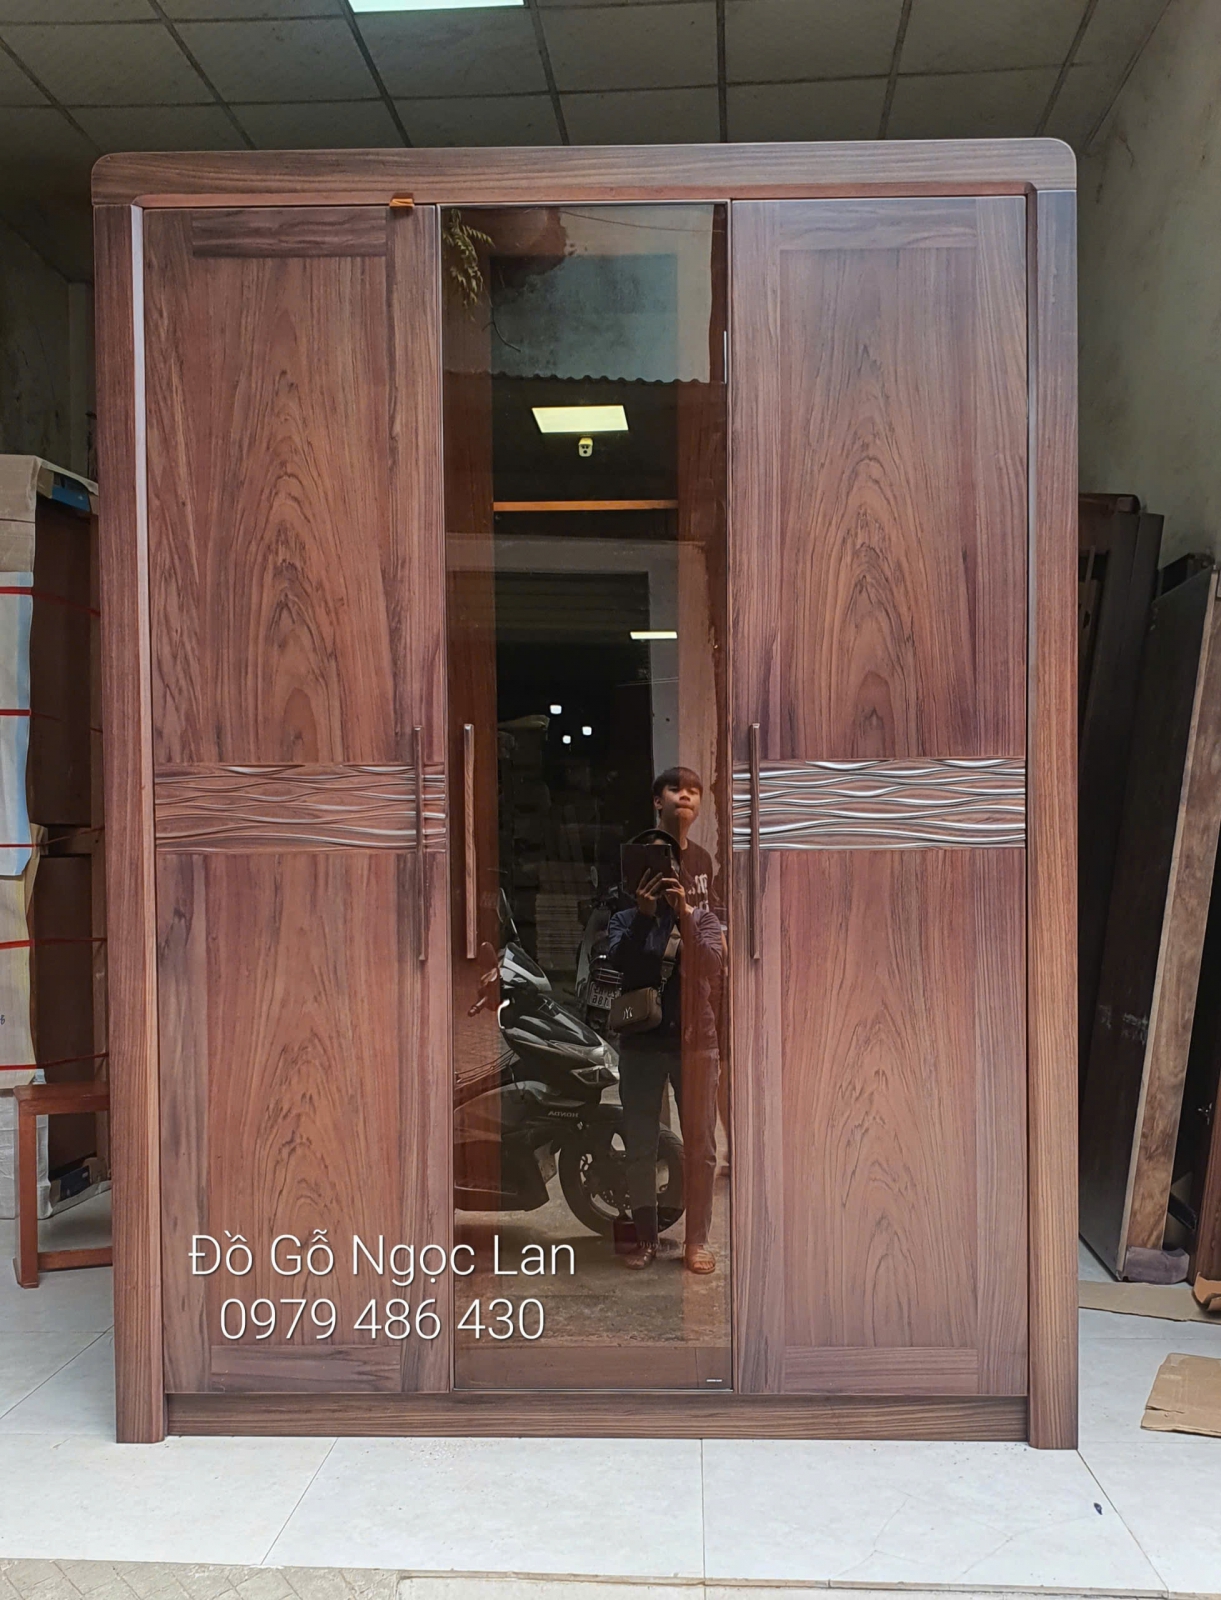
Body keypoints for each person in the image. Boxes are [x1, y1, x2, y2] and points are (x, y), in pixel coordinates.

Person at [606, 766, 724, 1273]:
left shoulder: (703, 902)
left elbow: (712, 963)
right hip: (642, 1042)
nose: (661, 872)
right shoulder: (625, 911)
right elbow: (622, 966)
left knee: (701, 1148)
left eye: (668, 864)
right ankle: (647, 1239)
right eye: (650, 864)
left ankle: (696, 1241)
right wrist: (644, 916)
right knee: (640, 1143)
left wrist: (685, 915)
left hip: (696, 1039)